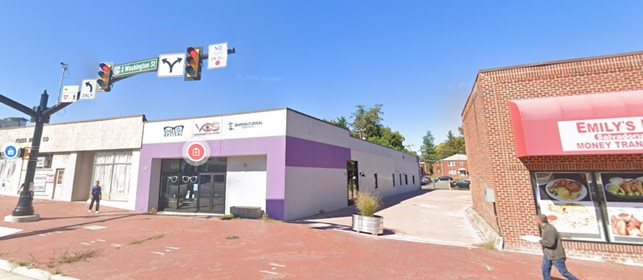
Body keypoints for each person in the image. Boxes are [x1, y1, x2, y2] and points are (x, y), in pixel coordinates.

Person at [534, 214, 578, 280]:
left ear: (539, 221)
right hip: (548, 254)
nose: (534, 222)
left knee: (563, 272)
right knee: (545, 268)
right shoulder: (544, 228)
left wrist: (540, 240)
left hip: (555, 255)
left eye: (534, 220)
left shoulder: (549, 229)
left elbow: (550, 243)